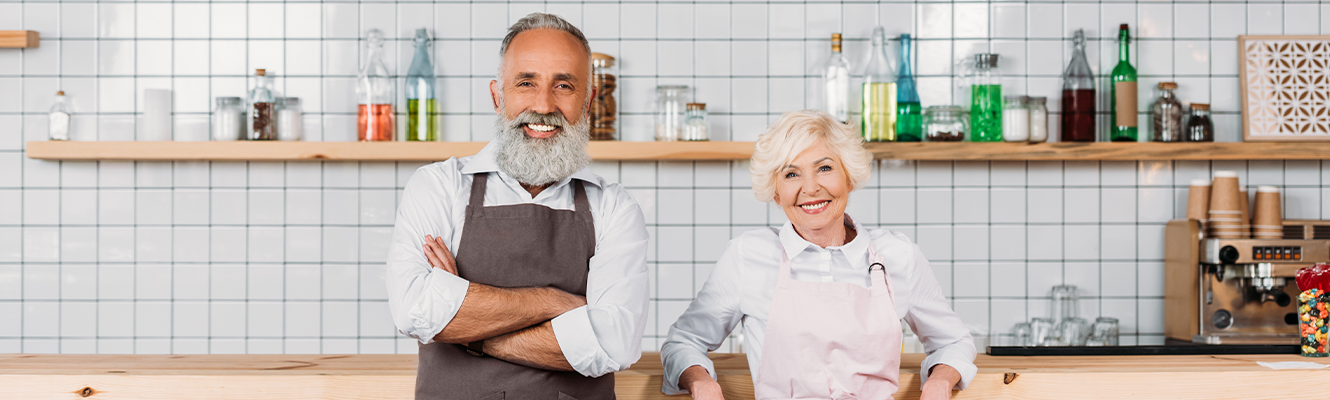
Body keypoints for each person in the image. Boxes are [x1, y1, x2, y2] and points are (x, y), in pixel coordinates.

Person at [386, 13, 649, 400]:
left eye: (564, 85)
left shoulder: (614, 207)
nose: (543, 105)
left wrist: (468, 328)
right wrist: (554, 301)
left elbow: (613, 344)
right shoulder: (439, 187)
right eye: (526, 83)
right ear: (497, 96)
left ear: (588, 101)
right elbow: (414, 311)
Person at [660, 111, 976, 400]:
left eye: (824, 168)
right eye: (791, 174)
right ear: (775, 191)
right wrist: (702, 382)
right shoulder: (749, 255)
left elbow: (953, 342)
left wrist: (939, 381)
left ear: (849, 177)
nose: (810, 188)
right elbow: (684, 342)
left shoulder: (898, 254)